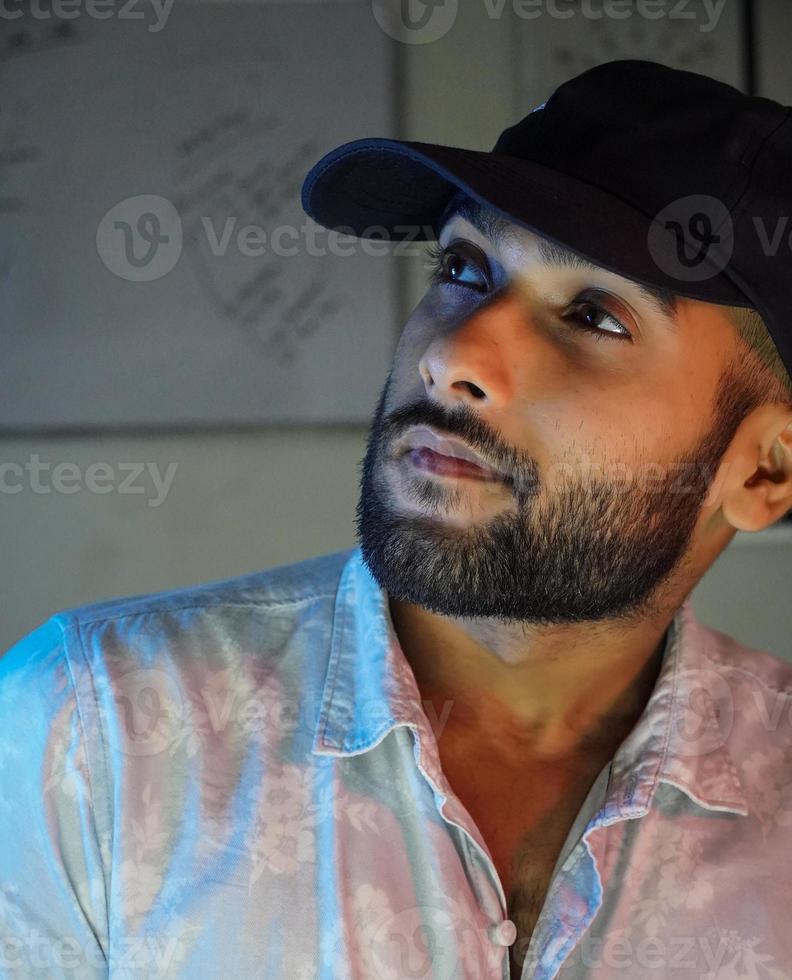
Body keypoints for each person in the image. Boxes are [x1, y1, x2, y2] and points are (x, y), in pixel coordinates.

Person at [2, 59, 792, 979]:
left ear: (767, 469)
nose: (455, 352)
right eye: (464, 267)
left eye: (593, 316)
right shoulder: (87, 735)